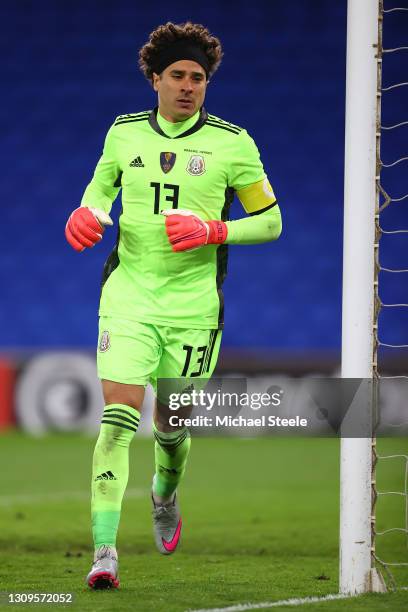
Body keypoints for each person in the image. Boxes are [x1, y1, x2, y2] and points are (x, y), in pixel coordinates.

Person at [65, 21, 282, 590]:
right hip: (130, 295)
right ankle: (105, 552)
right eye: (179, 76)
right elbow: (98, 190)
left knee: (171, 426)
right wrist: (84, 212)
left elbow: (271, 221)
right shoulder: (124, 133)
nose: (189, 86)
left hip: (193, 307)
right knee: (117, 421)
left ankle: (165, 492)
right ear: (156, 79)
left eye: (199, 78)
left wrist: (216, 229)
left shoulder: (234, 144)